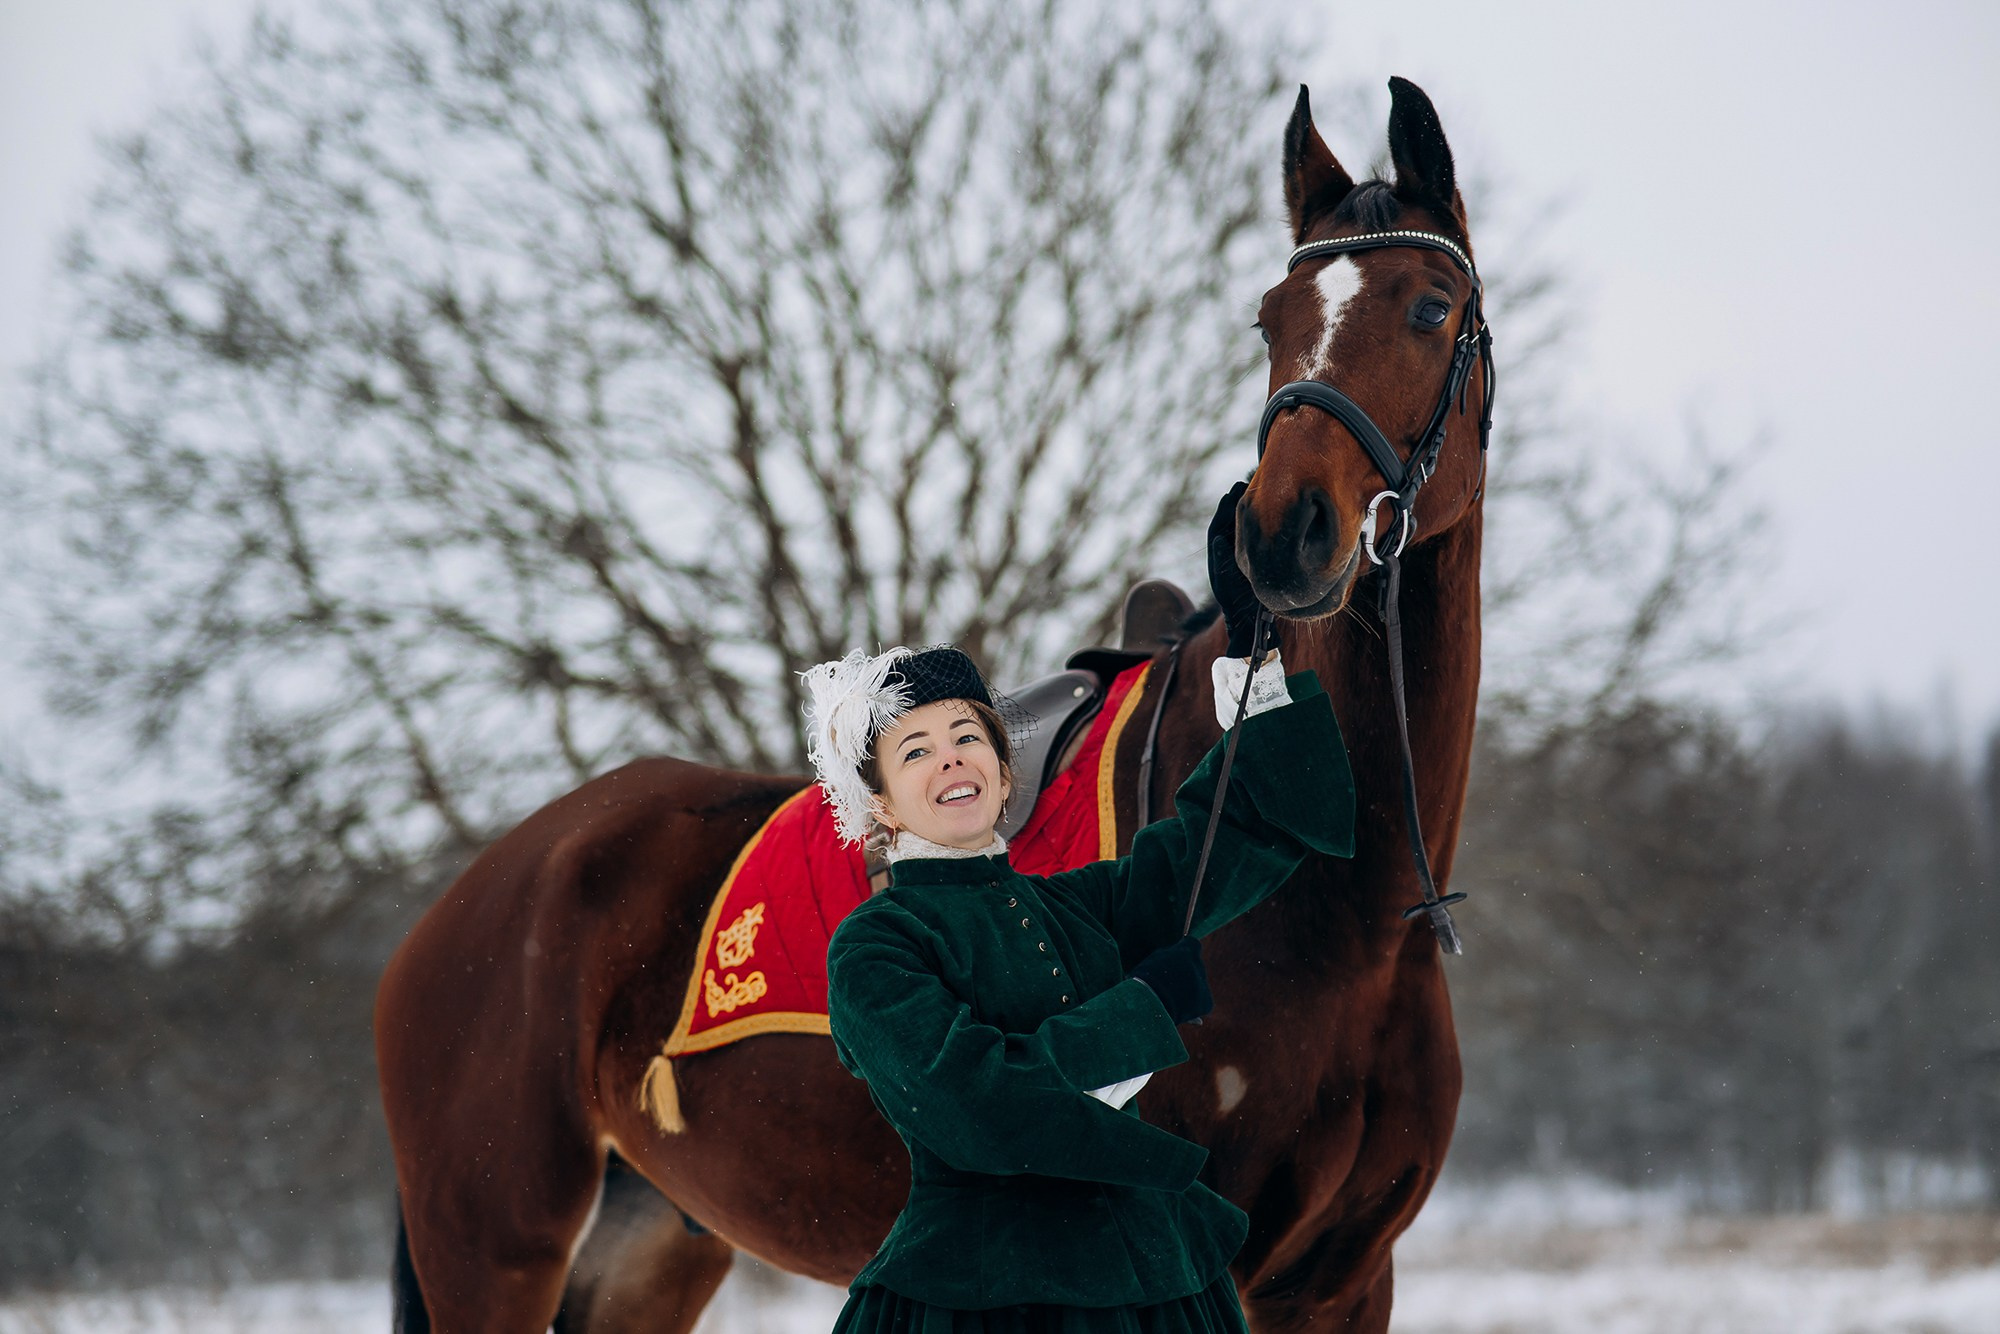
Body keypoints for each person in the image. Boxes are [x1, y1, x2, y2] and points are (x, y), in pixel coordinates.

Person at [810, 486, 1355, 1334]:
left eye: (968, 738)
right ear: (879, 806)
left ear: (999, 766)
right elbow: (982, 1109)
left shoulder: (1080, 905)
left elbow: (1243, 829)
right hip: (974, 1302)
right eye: (915, 750)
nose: (950, 759)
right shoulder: (877, 948)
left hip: (1158, 1283)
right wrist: (1142, 1010)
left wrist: (1252, 656)